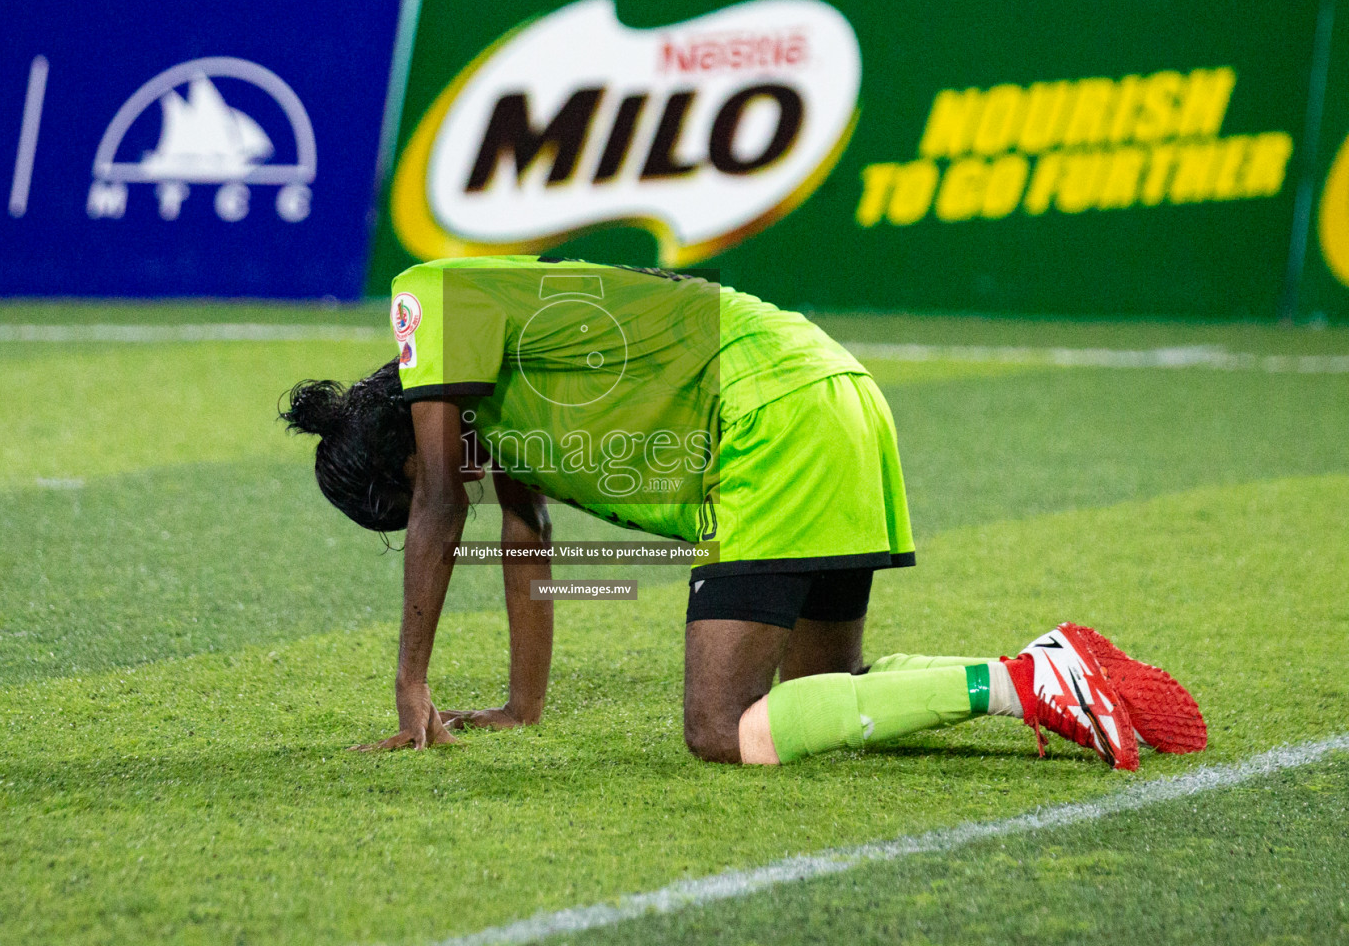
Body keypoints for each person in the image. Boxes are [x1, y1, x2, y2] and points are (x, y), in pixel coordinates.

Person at [282, 255, 1205, 767]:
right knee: (817, 702)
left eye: (408, 490)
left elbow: (445, 507)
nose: (449, 490)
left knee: (720, 731)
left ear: (405, 444)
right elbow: (527, 539)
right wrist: (524, 707)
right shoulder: (495, 399)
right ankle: (1034, 670)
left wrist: (412, 686)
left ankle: (1019, 686)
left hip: (770, 419)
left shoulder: (429, 299)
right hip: (831, 394)